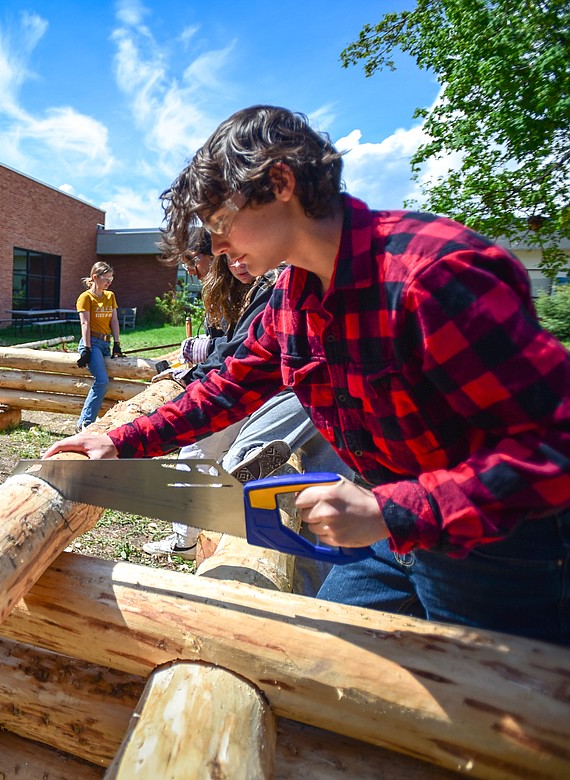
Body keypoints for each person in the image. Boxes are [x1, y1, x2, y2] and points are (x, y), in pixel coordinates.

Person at [45, 105, 570, 645]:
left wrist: (389, 511)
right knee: (319, 668)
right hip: (392, 533)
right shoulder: (294, 297)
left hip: (503, 550)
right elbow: (223, 390)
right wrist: (118, 441)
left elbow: (553, 449)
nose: (218, 247)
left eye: (221, 223)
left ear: (281, 181)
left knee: (491, 714)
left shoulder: (433, 274)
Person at [142, 234, 351, 562]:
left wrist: (195, 371)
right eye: (230, 256)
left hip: (290, 388)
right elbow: (240, 348)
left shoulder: (279, 282)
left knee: (215, 452)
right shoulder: (247, 285)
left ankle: (237, 477)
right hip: (282, 387)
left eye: (194, 263)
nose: (238, 262)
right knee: (320, 498)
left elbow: (240, 353)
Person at [75, 262, 122, 432]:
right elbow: (85, 323)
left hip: (105, 343)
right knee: (101, 380)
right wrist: (86, 349)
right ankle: (84, 423)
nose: (109, 282)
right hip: (92, 343)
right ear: (95, 277)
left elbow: (114, 320)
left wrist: (117, 343)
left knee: (110, 380)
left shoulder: (110, 296)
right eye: (106, 278)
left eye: (111, 278)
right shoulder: (85, 297)